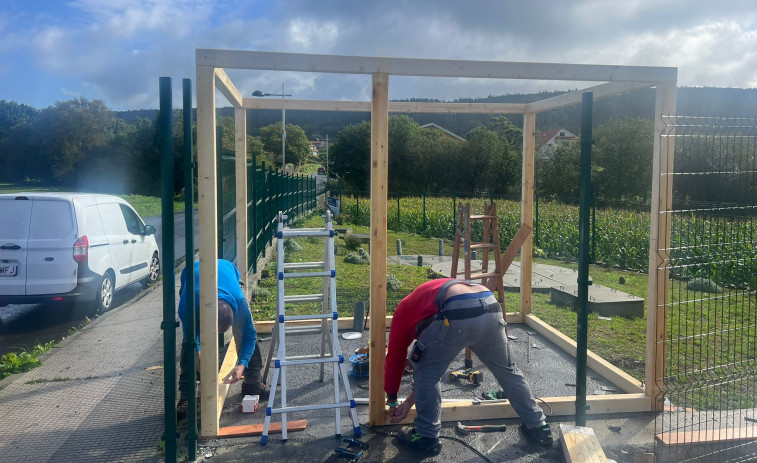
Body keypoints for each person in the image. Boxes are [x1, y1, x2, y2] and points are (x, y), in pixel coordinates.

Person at [385, 277, 553, 453]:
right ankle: (539, 427)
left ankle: (426, 437)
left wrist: (392, 399)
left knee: (427, 373)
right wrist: (409, 402)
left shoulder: (403, 311)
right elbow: (430, 364)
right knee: (508, 371)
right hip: (490, 307)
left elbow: (396, 356)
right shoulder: (428, 294)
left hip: (455, 311)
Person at [176, 259, 270, 420]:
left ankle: (252, 383)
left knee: (246, 331)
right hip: (192, 275)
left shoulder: (239, 304)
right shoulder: (188, 306)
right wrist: (197, 352)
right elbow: (192, 336)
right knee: (188, 344)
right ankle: (186, 396)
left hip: (228, 272)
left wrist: (241, 365)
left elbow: (248, 335)